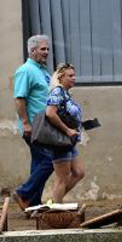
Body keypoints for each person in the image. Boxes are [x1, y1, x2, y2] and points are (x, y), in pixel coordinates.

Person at [13, 34, 54, 211]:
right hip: (33, 126)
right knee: (50, 160)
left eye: (47, 49)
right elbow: (19, 98)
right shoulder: (25, 70)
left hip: (43, 126)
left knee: (38, 164)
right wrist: (25, 123)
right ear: (32, 50)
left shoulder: (42, 71)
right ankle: (23, 193)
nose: (46, 52)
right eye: (43, 49)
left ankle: (33, 204)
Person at [45, 63, 86, 203]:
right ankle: (55, 211)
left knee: (79, 172)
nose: (74, 78)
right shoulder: (57, 91)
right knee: (62, 178)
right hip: (60, 141)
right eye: (70, 76)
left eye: (74, 75)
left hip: (68, 141)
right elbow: (50, 113)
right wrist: (68, 130)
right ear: (61, 77)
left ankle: (53, 202)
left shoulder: (65, 93)